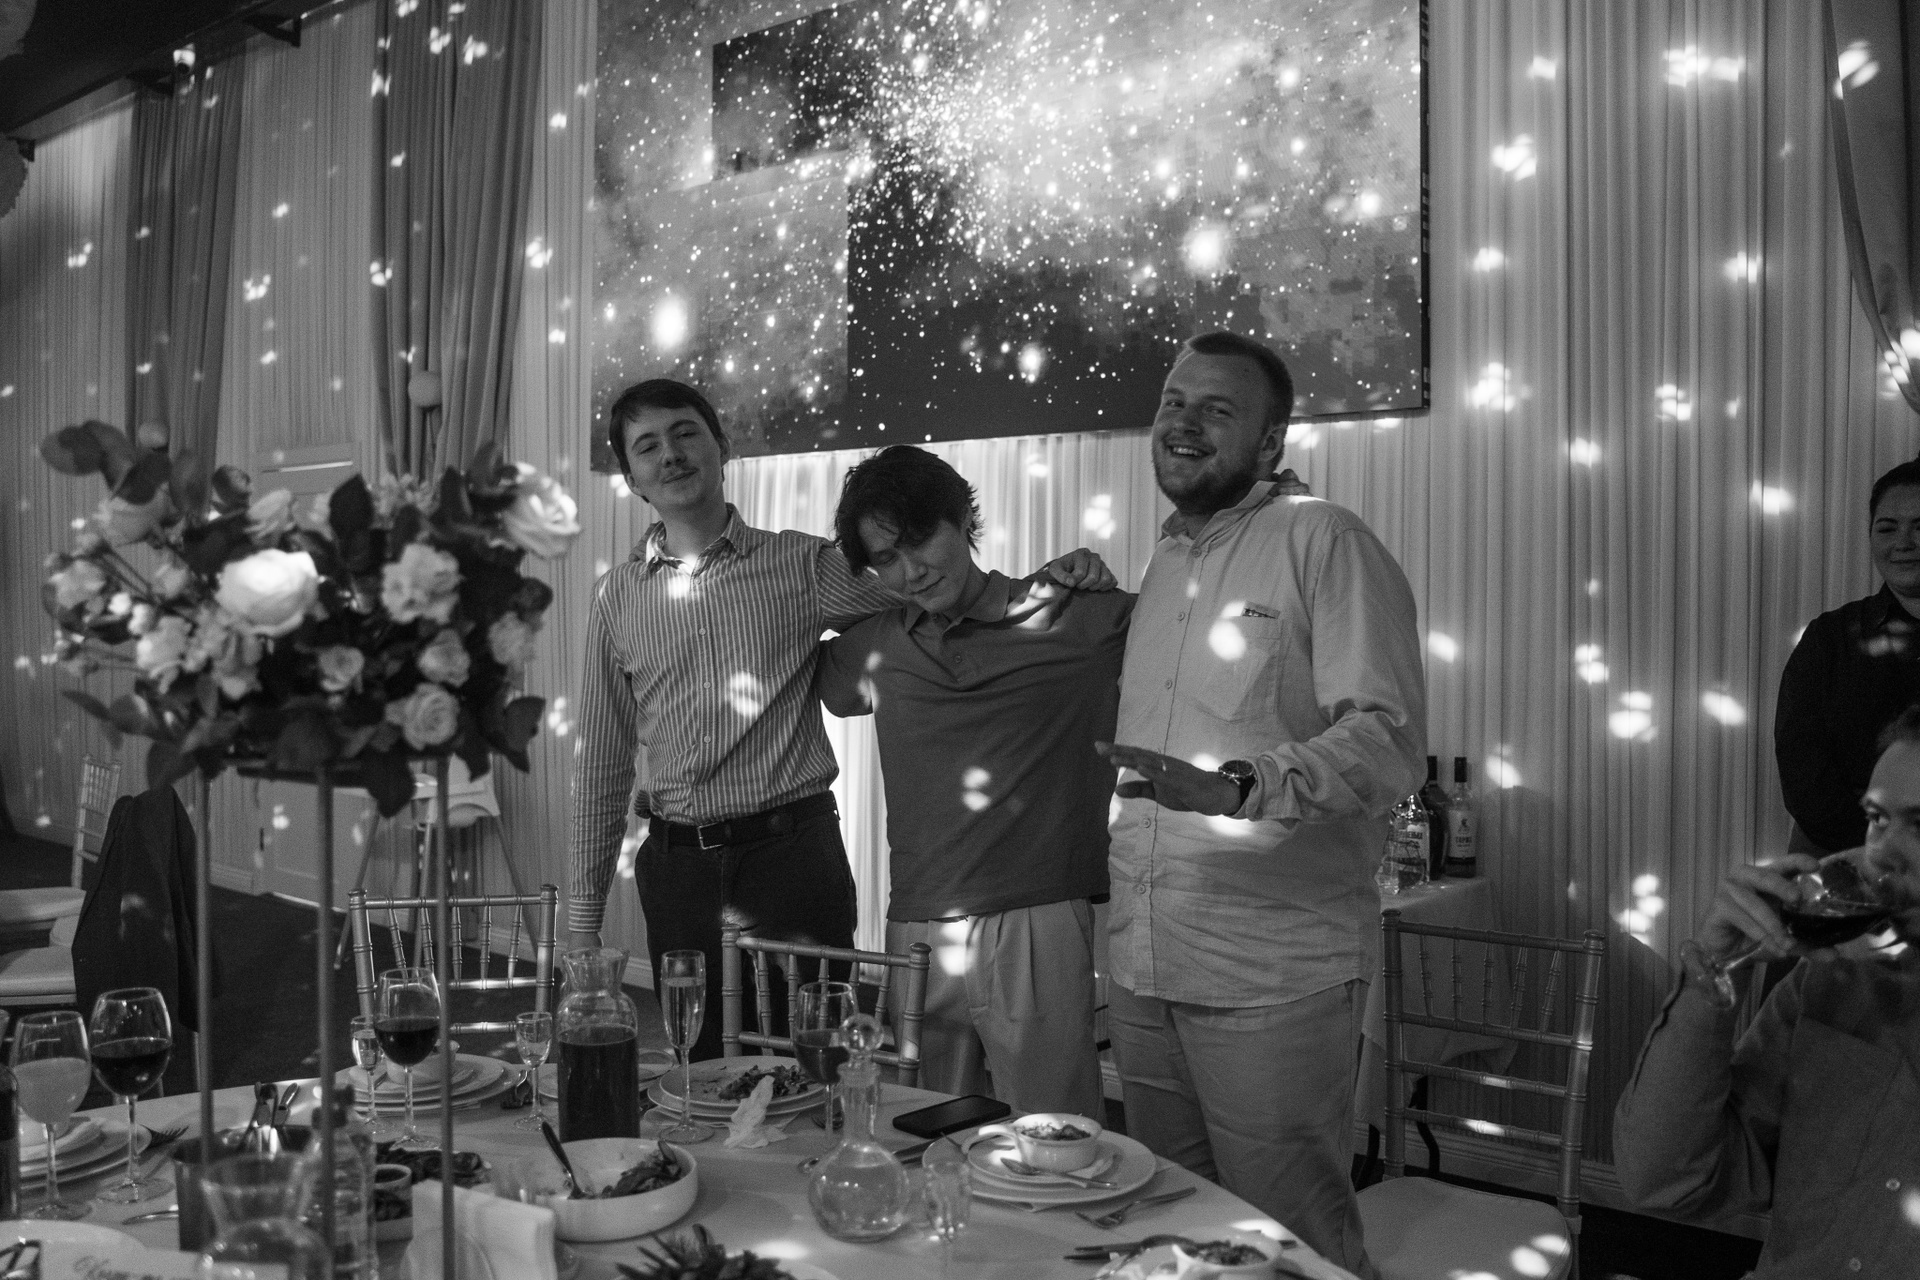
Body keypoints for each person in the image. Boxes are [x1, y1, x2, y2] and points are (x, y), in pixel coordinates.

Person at [569, 378, 1113, 1060]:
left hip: (792, 860)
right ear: (631, 477)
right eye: (647, 446)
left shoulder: (801, 566)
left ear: (722, 446)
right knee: (698, 1068)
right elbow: (602, 763)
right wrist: (582, 923)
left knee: (818, 1062)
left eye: (685, 433)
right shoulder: (616, 598)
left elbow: (935, 585)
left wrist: (1047, 585)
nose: (671, 455)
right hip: (678, 871)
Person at [1094, 331, 1425, 1278]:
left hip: (1270, 973)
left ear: (1272, 439)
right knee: (1175, 1234)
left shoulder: (1326, 540)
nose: (1182, 423)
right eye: (1173, 402)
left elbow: (1387, 738)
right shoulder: (1165, 561)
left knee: (1291, 1246)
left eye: (1216, 410)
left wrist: (1240, 786)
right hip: (1146, 960)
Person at [814, 445, 1132, 1117]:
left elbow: (1191, 633)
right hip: (918, 924)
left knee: (1053, 1133)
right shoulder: (874, 645)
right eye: (886, 559)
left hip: (1038, 913)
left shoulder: (1071, 614)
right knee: (926, 1129)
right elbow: (781, 641)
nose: (911, 570)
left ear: (962, 518)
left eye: (920, 540)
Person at [1614, 705, 1920, 1278]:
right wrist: (1713, 973)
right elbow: (1666, 1180)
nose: (1883, 854)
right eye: (1878, 819)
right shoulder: (1830, 983)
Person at [1775, 459, 1920, 854]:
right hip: (1842, 853)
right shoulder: (1830, 638)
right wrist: (1879, 850)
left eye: (1919, 526)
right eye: (1887, 528)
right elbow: (1802, 768)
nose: (1904, 542)